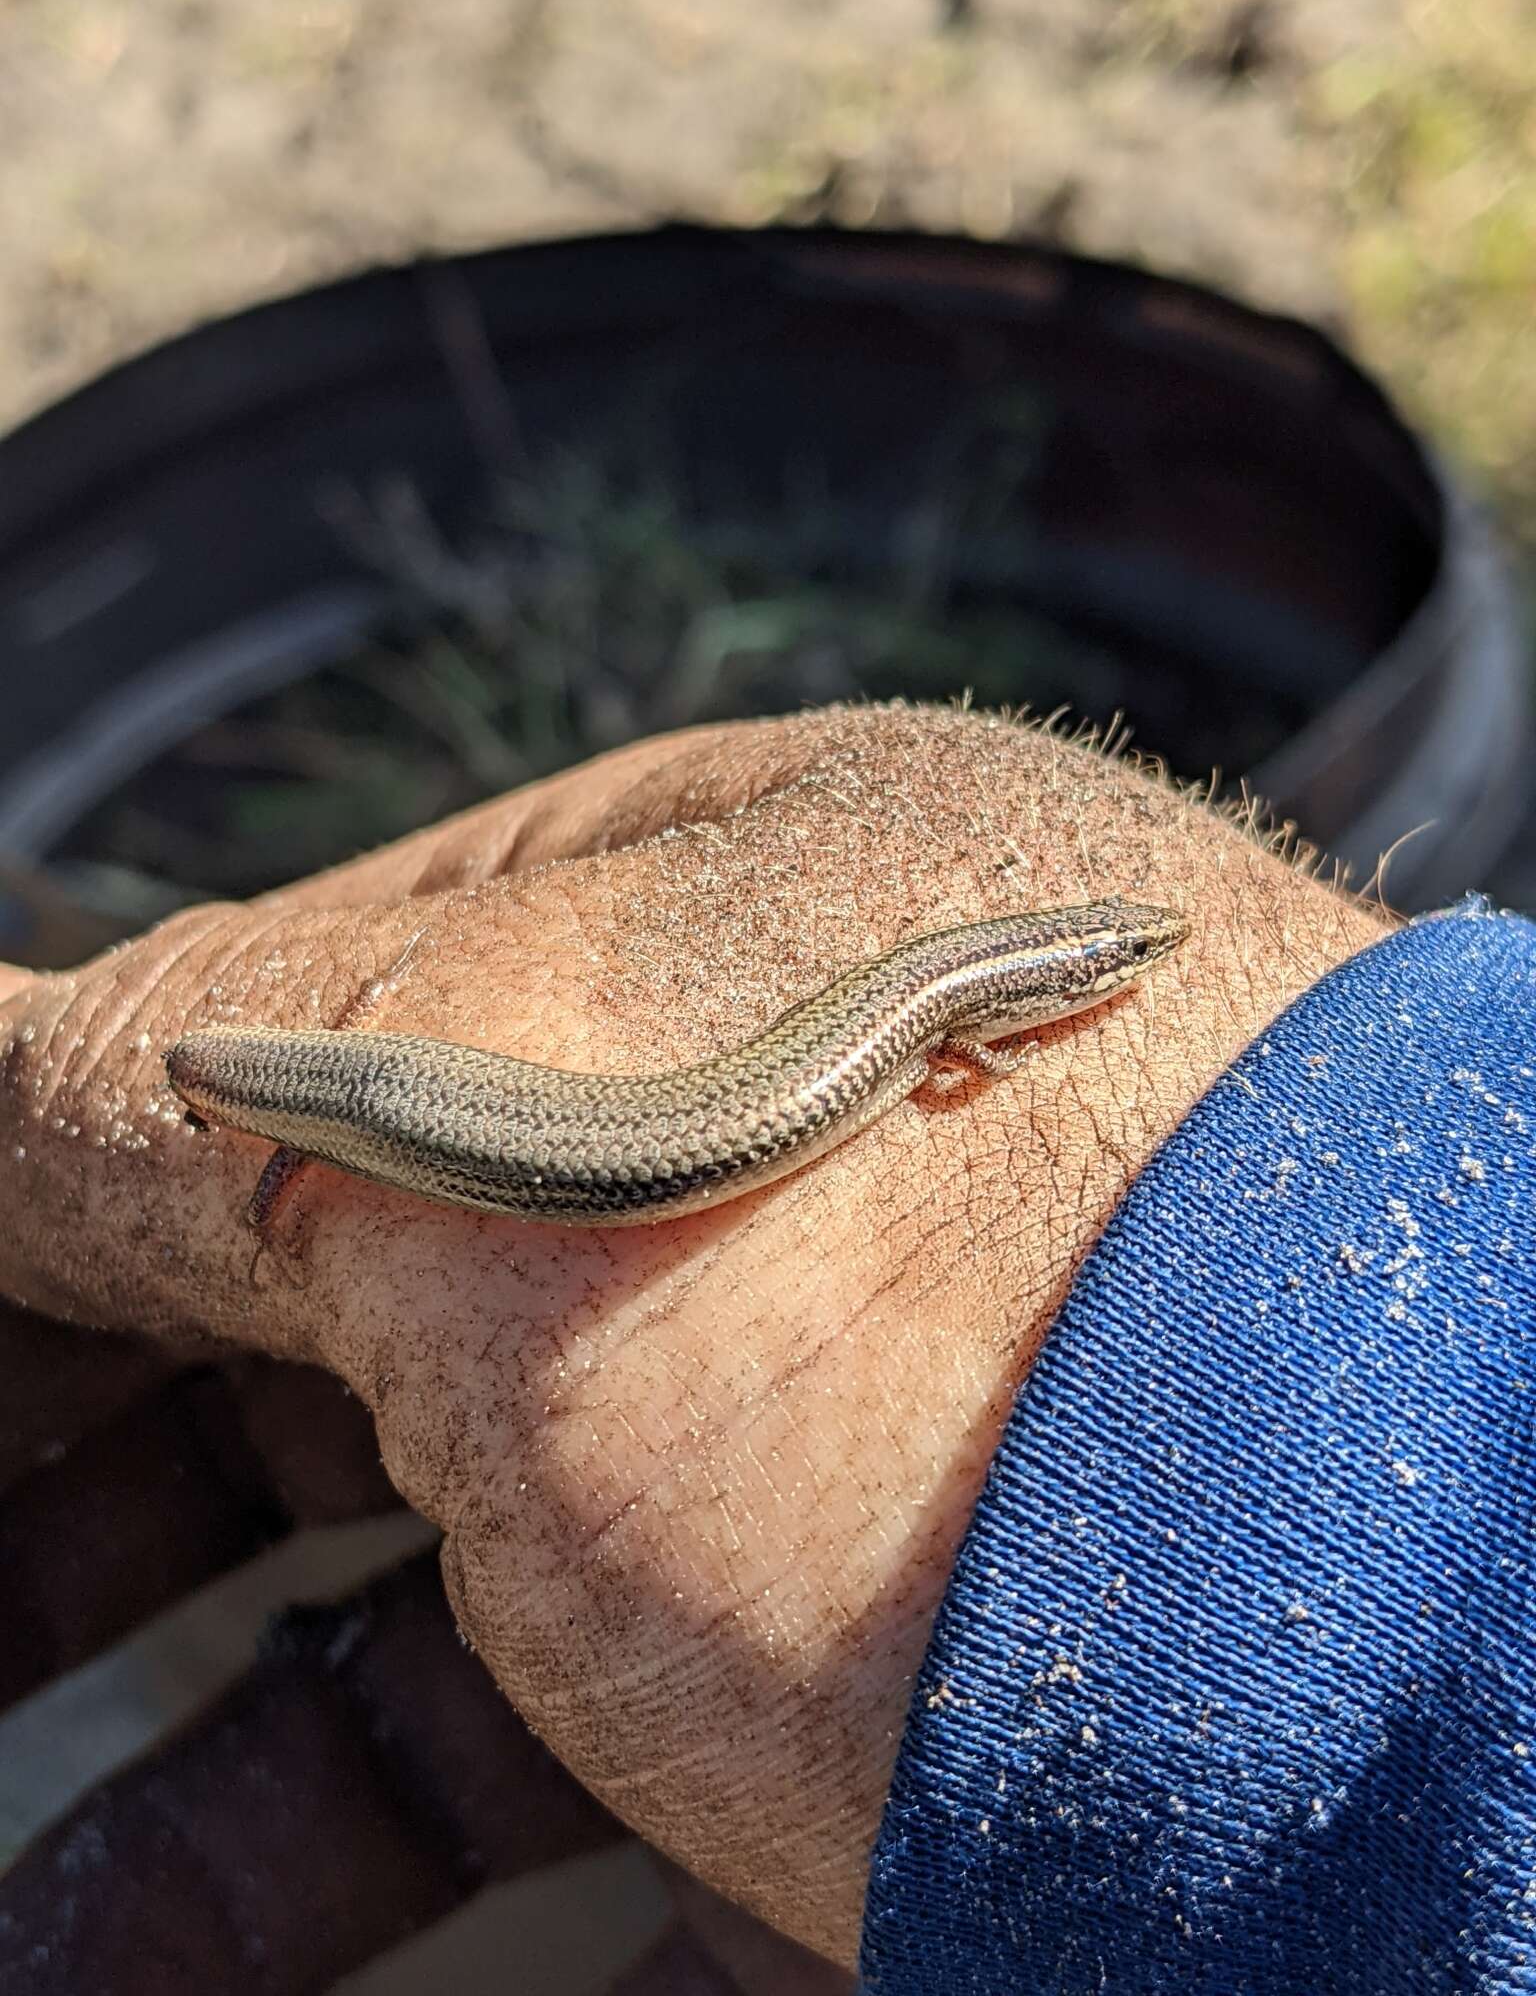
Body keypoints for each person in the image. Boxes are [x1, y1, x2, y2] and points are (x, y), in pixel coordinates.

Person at [0, 702, 1527, 1993]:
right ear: (1050, 981)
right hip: (528, 1141)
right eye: (1116, 956)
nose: (1127, 966)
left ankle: (284, 1124)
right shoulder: (953, 1028)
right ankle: (274, 1114)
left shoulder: (938, 1008)